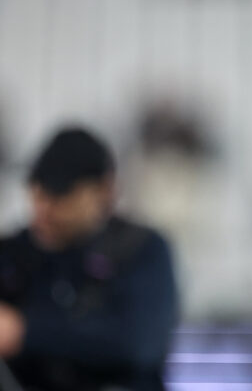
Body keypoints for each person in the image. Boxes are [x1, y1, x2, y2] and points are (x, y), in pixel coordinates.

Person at [0, 126, 179, 391]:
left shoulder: (140, 250)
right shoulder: (14, 254)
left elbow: (138, 342)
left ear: (105, 190)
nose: (44, 206)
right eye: (37, 191)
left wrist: (25, 332)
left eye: (61, 193)